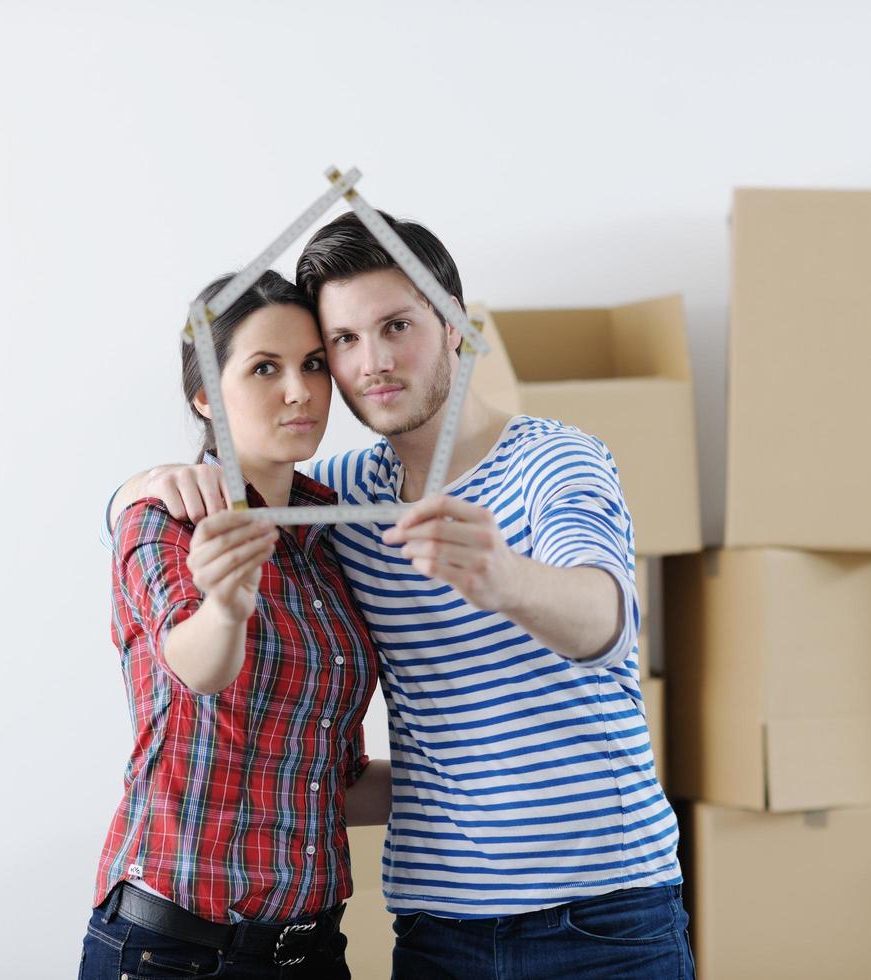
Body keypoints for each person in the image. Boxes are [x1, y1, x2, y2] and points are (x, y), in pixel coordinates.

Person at [110, 214, 693, 979]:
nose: (373, 361)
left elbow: (604, 621)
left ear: (457, 329)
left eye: (396, 326)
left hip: (600, 916)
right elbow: (158, 547)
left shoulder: (556, 461)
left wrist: (502, 577)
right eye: (344, 342)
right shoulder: (341, 503)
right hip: (437, 923)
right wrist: (139, 488)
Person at [84, 270, 389, 980]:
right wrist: (226, 604)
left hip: (314, 950)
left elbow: (329, 777)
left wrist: (494, 781)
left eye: (314, 364)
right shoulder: (163, 518)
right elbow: (196, 662)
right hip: (174, 953)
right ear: (204, 394)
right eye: (264, 368)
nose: (300, 390)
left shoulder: (327, 536)